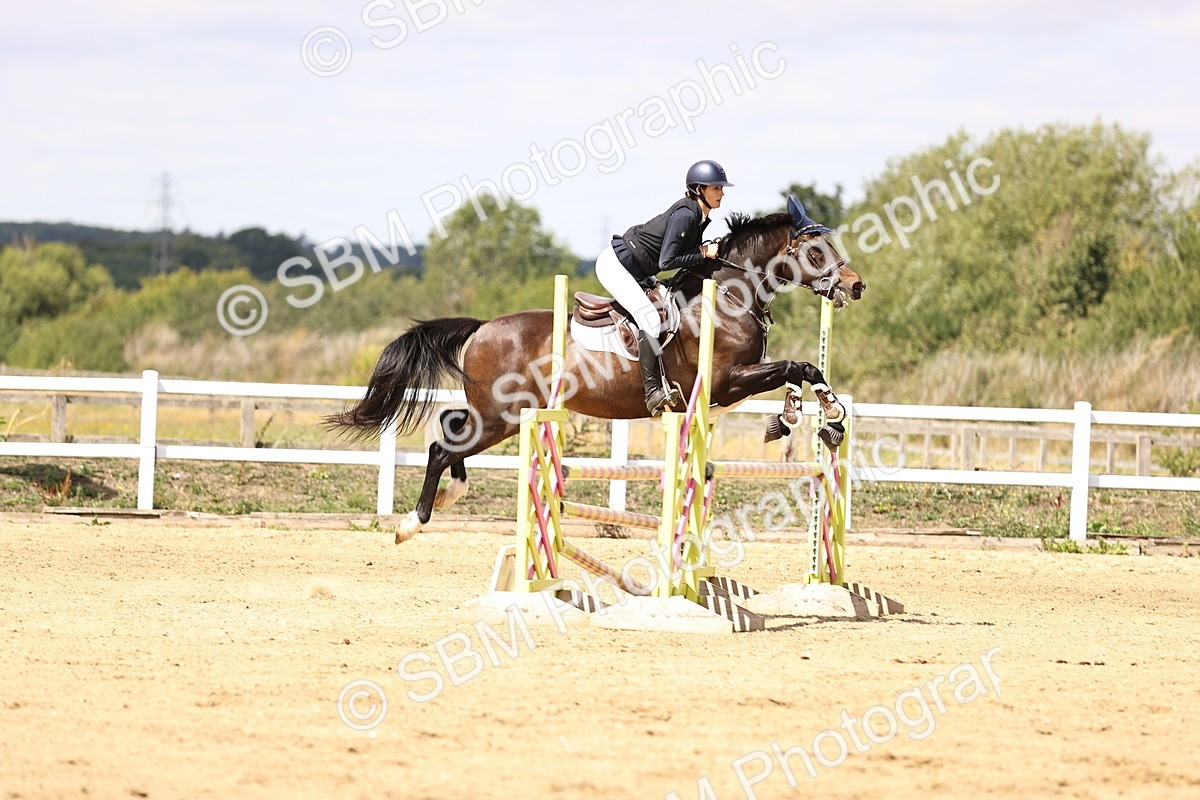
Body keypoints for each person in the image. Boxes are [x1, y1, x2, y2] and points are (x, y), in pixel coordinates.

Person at [595, 159, 732, 415]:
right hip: (616, 267)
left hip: (638, 269)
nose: (722, 193)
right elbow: (667, 261)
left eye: (722, 188)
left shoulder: (698, 215)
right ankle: (652, 392)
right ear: (699, 189)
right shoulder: (686, 215)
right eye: (716, 188)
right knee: (649, 318)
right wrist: (703, 252)